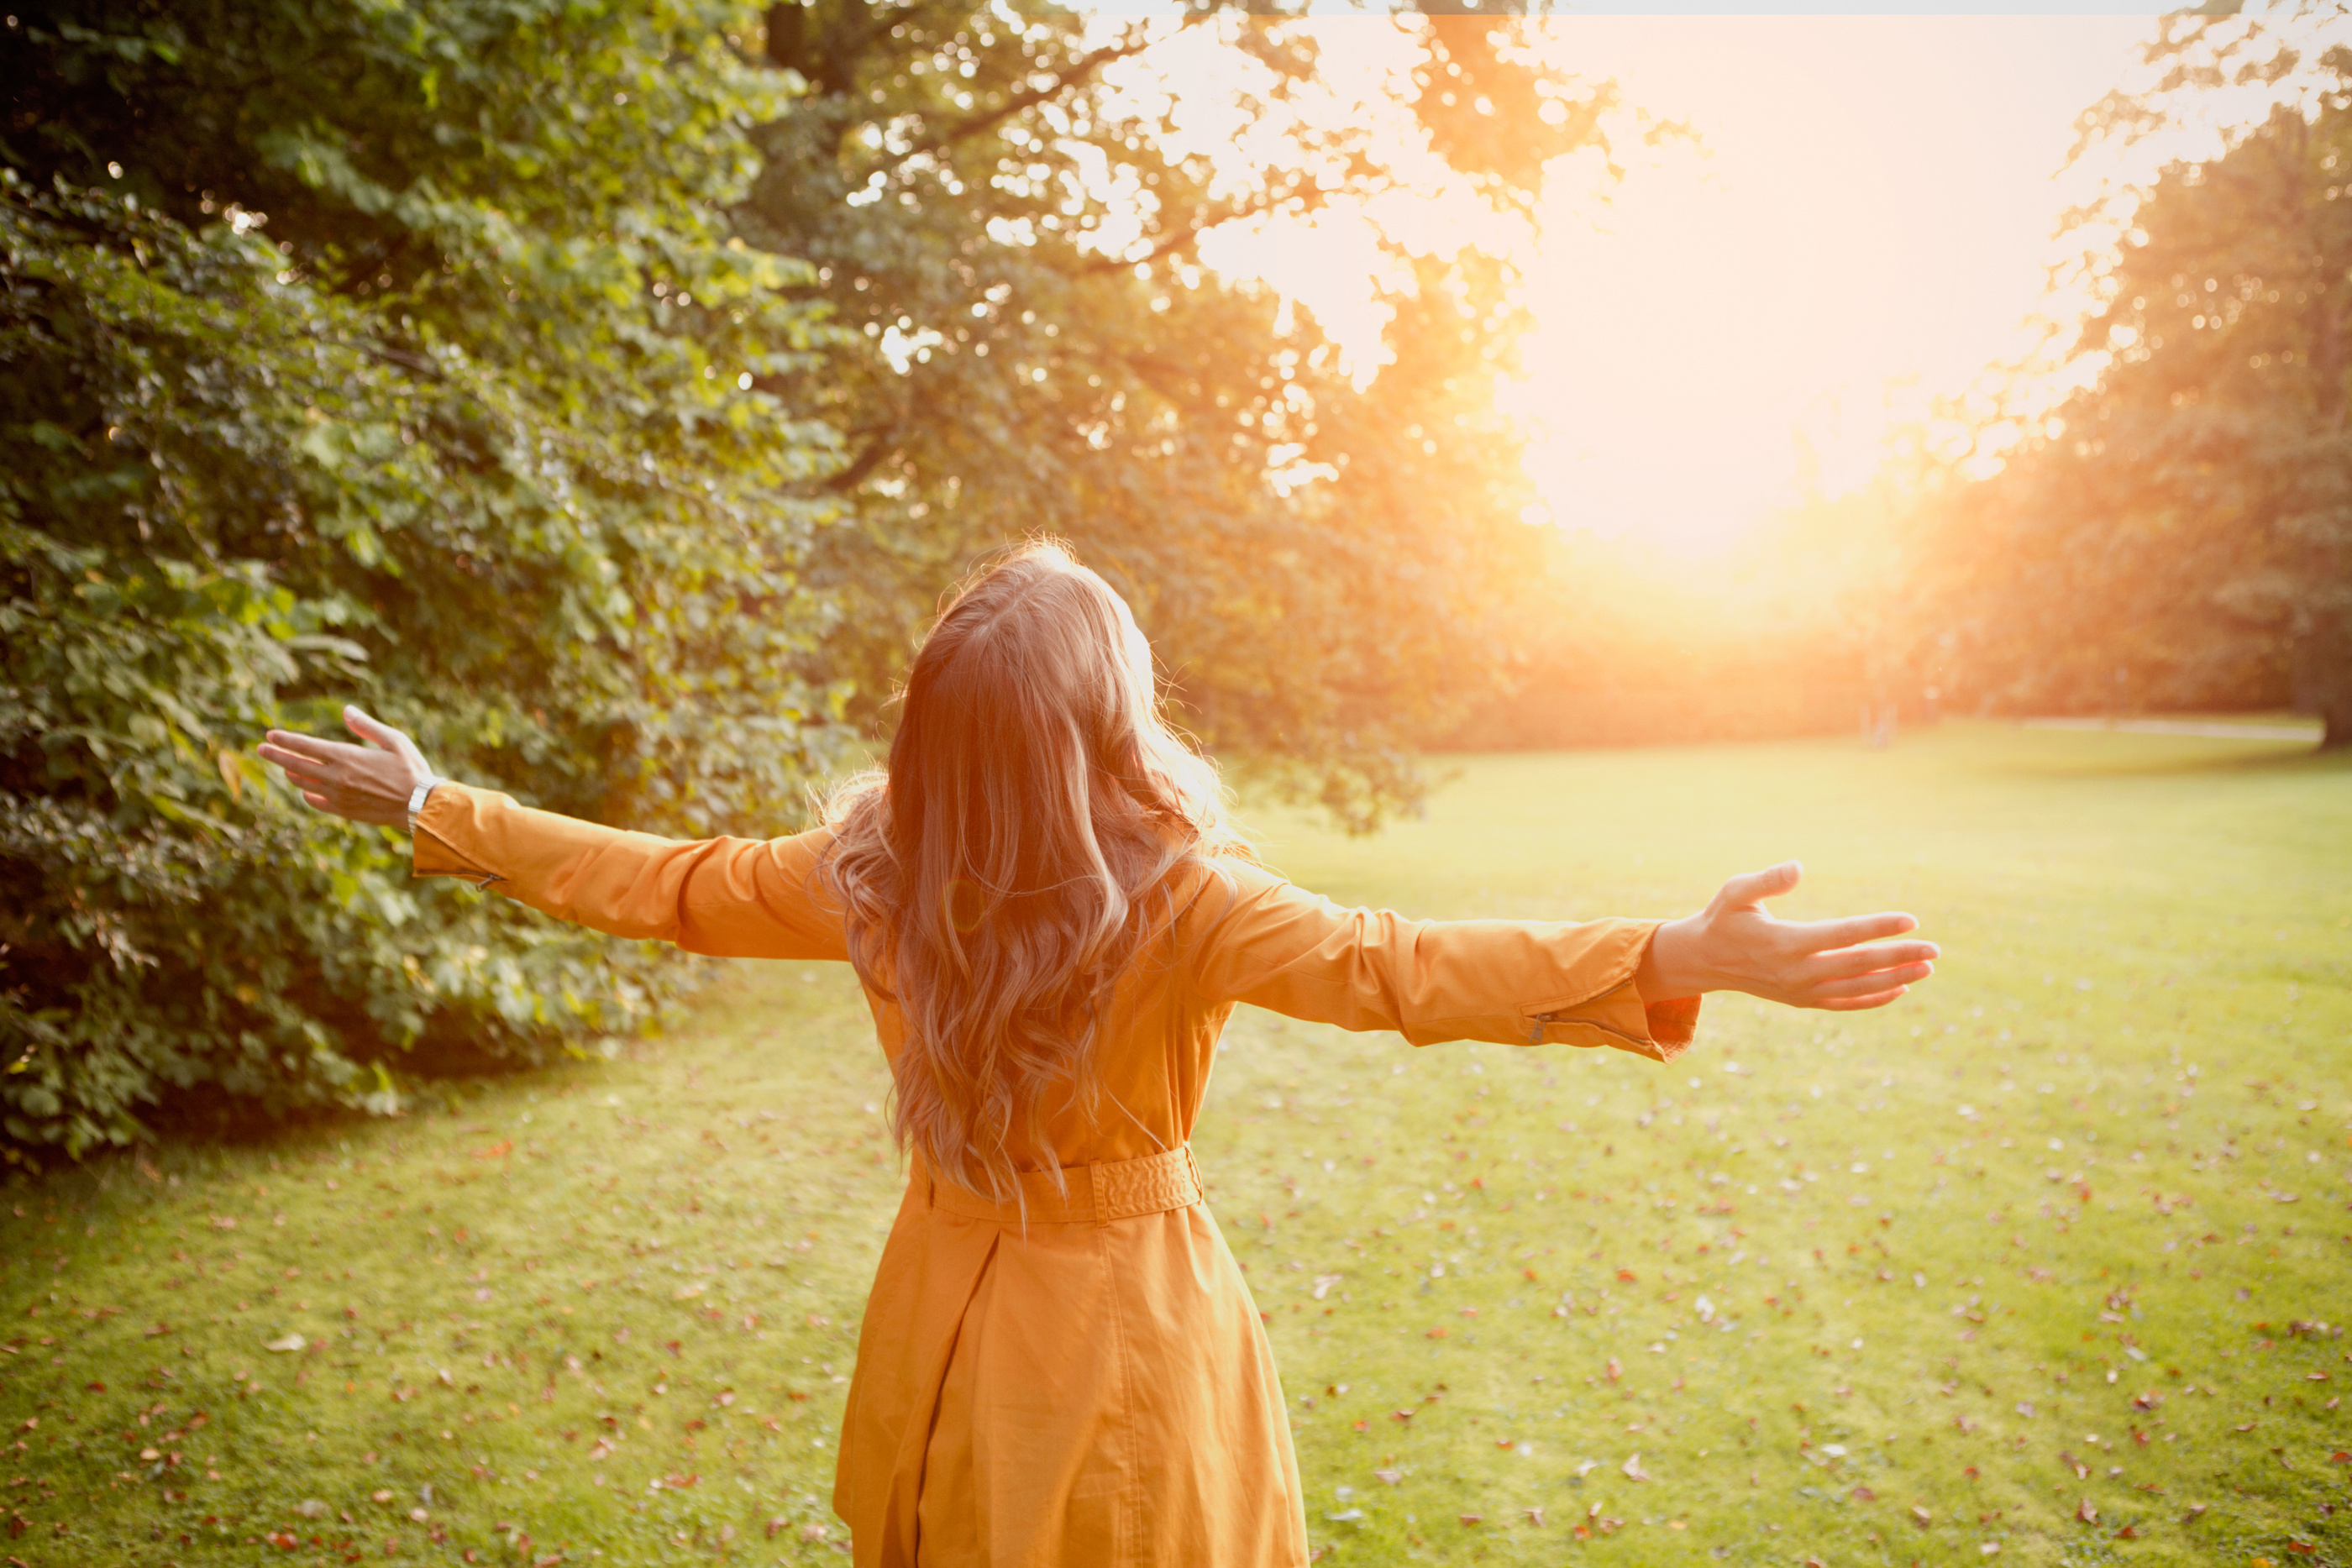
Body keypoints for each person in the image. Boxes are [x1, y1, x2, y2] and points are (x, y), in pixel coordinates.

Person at [257, 541, 1936, 1568]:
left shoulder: (866, 873)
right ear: (1105, 729)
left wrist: (436, 804)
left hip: (946, 1307)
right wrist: (1668, 953)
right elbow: (1388, 965)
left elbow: (667, 885)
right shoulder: (1167, 897)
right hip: (1119, 1340)